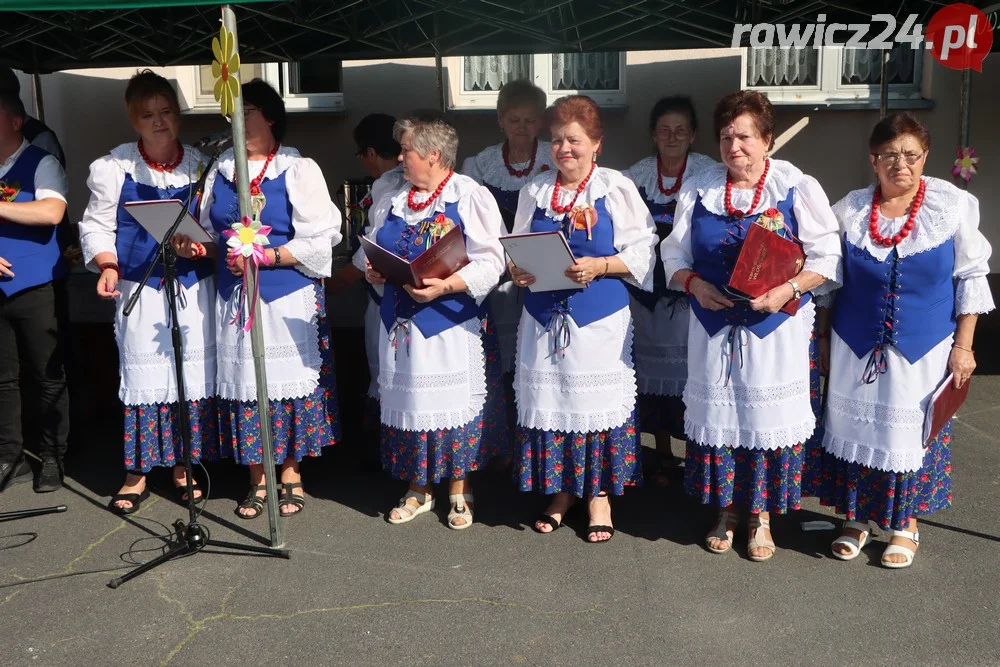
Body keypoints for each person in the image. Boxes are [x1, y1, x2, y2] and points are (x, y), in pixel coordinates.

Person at [660, 90, 842, 560]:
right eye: (725, 137)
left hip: (774, 332)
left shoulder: (795, 187)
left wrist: (788, 290)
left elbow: (827, 255)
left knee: (762, 419)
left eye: (744, 136)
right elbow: (673, 255)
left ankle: (760, 516)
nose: (734, 146)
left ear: (767, 140)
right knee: (723, 419)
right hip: (714, 328)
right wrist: (695, 285)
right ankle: (727, 511)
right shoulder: (699, 188)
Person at [817, 112, 993, 568]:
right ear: (873, 160)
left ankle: (904, 524)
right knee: (856, 431)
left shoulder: (950, 206)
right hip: (855, 344)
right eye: (890, 155)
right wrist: (821, 342)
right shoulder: (850, 211)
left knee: (907, 435)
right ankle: (857, 519)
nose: (901, 164)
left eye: (911, 155)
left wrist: (965, 345)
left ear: (925, 157)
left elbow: (970, 277)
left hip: (924, 346)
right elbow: (829, 282)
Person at [509, 95, 657, 543]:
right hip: (542, 318)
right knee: (554, 404)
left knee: (592, 406)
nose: (563, 149)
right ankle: (560, 493)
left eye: (573, 140)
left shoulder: (615, 187)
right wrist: (518, 269)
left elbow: (642, 250)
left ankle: (598, 496)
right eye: (556, 141)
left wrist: (600, 265)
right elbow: (514, 247)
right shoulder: (535, 190)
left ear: (597, 144)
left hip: (597, 321)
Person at [198, 79, 341, 519]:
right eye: (233, 115)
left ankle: (292, 472)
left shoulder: (298, 169)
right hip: (236, 297)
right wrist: (199, 245)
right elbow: (207, 227)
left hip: (286, 295)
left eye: (247, 113)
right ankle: (257, 478)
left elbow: (324, 237)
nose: (238, 122)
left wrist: (271, 255)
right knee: (248, 384)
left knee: (285, 383)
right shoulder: (220, 169)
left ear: (270, 117)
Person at [78, 71, 217, 513]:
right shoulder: (114, 167)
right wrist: (107, 265)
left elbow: (216, 228)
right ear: (134, 120)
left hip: (192, 286)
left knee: (187, 374)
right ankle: (138, 470)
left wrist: (201, 245)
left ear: (178, 114)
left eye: (166, 113)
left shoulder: (201, 165)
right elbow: (97, 226)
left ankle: (183, 464)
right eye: (148, 115)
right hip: (139, 283)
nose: (159, 122)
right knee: (143, 376)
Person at [364, 113, 505, 530]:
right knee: (411, 405)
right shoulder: (390, 193)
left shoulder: (469, 195)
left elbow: (493, 260)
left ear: (433, 156)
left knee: (453, 406)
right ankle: (418, 488)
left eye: (405, 150)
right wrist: (372, 268)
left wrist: (446, 286)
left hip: (450, 322)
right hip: (400, 324)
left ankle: (460, 489)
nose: (399, 157)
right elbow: (371, 245)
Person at [624, 95, 716, 484]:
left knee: (689, 376)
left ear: (693, 135)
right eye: (664, 129)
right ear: (653, 134)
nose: (672, 136)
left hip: (688, 291)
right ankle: (661, 453)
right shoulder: (634, 176)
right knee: (649, 374)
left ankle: (692, 453)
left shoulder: (707, 173)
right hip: (646, 291)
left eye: (680, 129)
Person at [0, 90, 69, 493]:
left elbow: (51, 212)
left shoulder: (41, 162)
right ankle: (9, 456)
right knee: (3, 379)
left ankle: (52, 457)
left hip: (36, 284)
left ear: (14, 122)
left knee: (47, 376)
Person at [342, 113, 405, 438]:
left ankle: (381, 444)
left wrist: (333, 283)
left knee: (383, 369)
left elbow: (370, 247)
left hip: (385, 290)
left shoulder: (386, 183)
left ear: (369, 152)